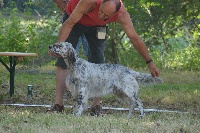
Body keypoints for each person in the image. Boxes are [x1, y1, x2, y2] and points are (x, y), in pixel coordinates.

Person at [48, 0, 160, 115]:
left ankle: (96, 106)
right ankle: (58, 105)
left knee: (99, 61)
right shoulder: (89, 2)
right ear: (100, 3)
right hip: (74, 20)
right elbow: (69, 23)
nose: (102, 15)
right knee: (63, 60)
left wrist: (150, 62)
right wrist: (57, 46)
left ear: (114, 15)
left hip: (98, 26)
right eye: (101, 11)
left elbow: (134, 38)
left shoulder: (121, 14)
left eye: (107, 15)